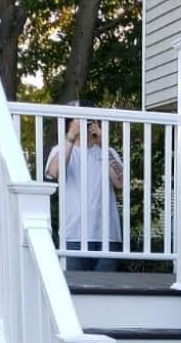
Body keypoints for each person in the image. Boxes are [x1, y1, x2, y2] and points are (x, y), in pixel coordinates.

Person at [44, 111, 124, 272]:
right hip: (73, 236)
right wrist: (71, 137)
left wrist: (102, 143)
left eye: (89, 120)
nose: (85, 125)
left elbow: (120, 182)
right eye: (79, 120)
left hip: (107, 237)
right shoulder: (61, 149)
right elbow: (54, 173)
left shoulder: (107, 151)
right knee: (72, 293)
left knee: (105, 290)